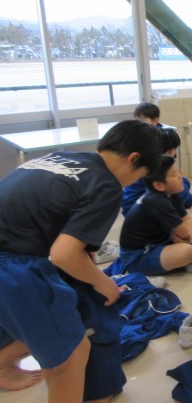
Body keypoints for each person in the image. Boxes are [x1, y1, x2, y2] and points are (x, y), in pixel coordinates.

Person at [0, 120, 162, 403]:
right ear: (133, 159)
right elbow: (64, 254)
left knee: (48, 340)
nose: (134, 183)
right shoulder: (107, 185)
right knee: (73, 353)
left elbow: (73, 240)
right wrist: (103, 283)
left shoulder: (61, 157)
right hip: (13, 264)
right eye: (139, 176)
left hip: (12, 251)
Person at [118, 155, 192, 276]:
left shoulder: (170, 193)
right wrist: (187, 238)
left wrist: (188, 238)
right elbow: (184, 233)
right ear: (159, 185)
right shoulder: (157, 201)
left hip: (160, 242)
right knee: (189, 252)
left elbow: (186, 222)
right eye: (174, 175)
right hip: (139, 258)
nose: (180, 177)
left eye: (178, 172)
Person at [121, 127, 192, 216]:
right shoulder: (159, 165)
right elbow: (190, 200)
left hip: (129, 205)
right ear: (171, 150)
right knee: (184, 191)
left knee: (185, 181)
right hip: (139, 211)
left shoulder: (148, 157)